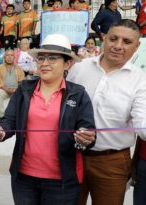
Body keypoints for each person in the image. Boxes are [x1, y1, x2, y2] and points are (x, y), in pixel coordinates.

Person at [0, 33, 96, 205]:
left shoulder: (78, 93)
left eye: (52, 58)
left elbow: (87, 130)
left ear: (68, 63)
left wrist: (85, 137)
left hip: (63, 181)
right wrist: (1, 132)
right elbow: (9, 121)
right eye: (41, 58)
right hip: (24, 178)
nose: (44, 63)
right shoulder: (24, 88)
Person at [66, 19, 146, 205]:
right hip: (71, 155)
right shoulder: (79, 69)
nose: (118, 46)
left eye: (127, 42)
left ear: (137, 46)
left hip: (112, 163)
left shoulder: (141, 80)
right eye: (113, 39)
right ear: (104, 39)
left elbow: (142, 122)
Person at [0, 49, 25, 118]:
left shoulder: (19, 68)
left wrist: (16, 90)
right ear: (4, 57)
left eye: (11, 55)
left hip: (16, 90)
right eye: (7, 55)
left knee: (25, 93)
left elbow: (22, 82)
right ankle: (2, 117)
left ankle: (19, 117)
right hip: (4, 90)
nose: (10, 57)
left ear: (14, 57)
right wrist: (7, 90)